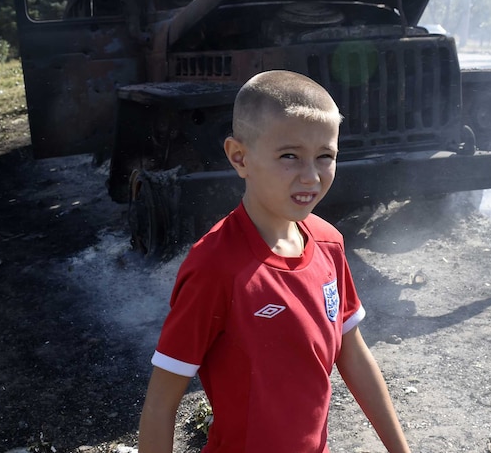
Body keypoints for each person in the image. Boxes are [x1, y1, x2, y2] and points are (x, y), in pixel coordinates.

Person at [137, 70, 412, 453]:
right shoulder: (215, 266)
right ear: (239, 157)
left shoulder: (329, 244)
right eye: (289, 156)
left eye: (325, 156)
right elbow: (160, 405)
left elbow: (353, 355)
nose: (311, 176)